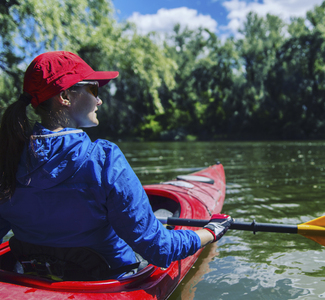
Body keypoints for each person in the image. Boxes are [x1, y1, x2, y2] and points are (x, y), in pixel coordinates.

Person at [0, 51, 232, 280]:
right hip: (108, 279)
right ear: (65, 97)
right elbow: (160, 250)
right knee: (159, 214)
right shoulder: (104, 159)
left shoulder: (7, 159)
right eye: (93, 89)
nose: (99, 99)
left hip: (33, 276)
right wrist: (210, 231)